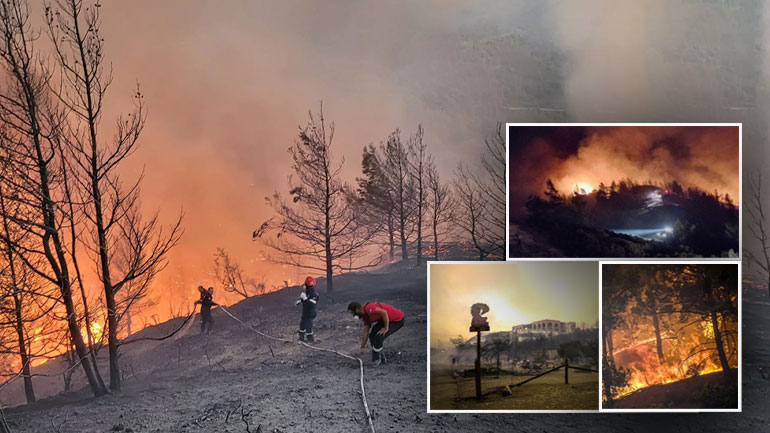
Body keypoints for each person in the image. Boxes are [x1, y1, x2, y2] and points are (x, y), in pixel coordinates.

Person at [347, 301, 405, 366]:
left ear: (357, 309)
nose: (353, 315)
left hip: (397, 320)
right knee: (372, 335)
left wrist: (386, 328)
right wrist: (362, 347)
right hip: (385, 320)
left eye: (353, 312)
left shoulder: (369, 308)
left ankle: (376, 359)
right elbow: (365, 331)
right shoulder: (365, 316)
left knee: (379, 336)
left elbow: (384, 313)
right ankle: (380, 355)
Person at [296, 276, 319, 342]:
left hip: (311, 313)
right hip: (305, 312)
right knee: (302, 325)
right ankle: (301, 338)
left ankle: (310, 339)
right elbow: (306, 301)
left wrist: (305, 298)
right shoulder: (308, 293)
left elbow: (311, 304)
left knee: (308, 325)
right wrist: (300, 301)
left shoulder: (314, 294)